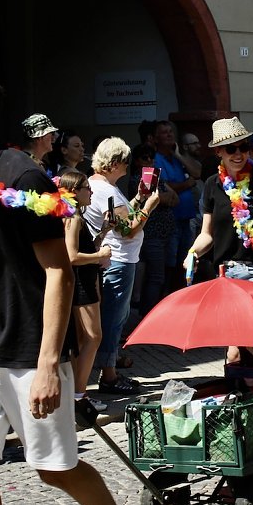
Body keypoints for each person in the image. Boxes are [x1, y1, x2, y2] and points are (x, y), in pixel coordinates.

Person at [0, 67, 115, 503]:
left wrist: (48, 365)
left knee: (56, 471)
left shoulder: (23, 176)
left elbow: (58, 271)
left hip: (29, 351)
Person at [184, 117, 253, 362]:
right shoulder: (212, 184)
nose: (238, 154)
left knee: (250, 344)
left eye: (243, 147)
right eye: (231, 149)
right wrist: (192, 253)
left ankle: (252, 393)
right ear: (219, 151)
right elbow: (206, 235)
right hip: (224, 274)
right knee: (234, 348)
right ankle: (240, 393)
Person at [84, 137, 159, 395]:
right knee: (114, 319)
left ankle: (110, 366)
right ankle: (109, 377)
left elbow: (121, 220)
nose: (128, 167)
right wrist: (149, 206)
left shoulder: (97, 185)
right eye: (125, 162)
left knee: (116, 316)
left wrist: (138, 198)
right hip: (119, 260)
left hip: (116, 259)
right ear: (114, 163)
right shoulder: (106, 191)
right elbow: (128, 230)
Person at [57, 171, 112, 413]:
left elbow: (83, 248)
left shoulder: (75, 216)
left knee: (83, 341)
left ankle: (78, 393)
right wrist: (100, 256)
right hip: (81, 284)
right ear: (74, 191)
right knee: (94, 336)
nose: (90, 192)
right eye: (86, 188)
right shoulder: (74, 218)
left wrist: (103, 232)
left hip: (84, 281)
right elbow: (72, 256)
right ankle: (78, 394)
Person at [127, 144, 178, 317]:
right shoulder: (138, 180)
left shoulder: (158, 179)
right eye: (145, 158)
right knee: (155, 276)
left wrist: (164, 192)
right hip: (151, 235)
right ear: (136, 161)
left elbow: (174, 199)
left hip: (165, 233)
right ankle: (147, 315)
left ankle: (150, 312)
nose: (150, 161)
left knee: (162, 274)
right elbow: (159, 199)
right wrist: (163, 197)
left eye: (152, 157)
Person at [153, 121, 199, 292]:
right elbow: (165, 186)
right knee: (171, 264)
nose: (169, 134)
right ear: (156, 138)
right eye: (164, 132)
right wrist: (187, 184)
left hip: (187, 218)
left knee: (186, 262)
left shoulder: (177, 157)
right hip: (171, 220)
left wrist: (179, 155)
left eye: (171, 131)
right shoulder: (156, 159)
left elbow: (197, 173)